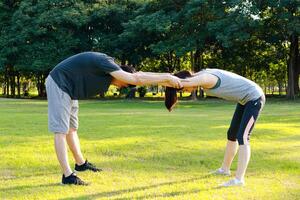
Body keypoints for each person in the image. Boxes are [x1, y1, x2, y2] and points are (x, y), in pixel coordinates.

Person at [45, 51, 182, 185]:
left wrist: (166, 79)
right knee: (61, 131)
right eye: (125, 84)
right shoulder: (107, 63)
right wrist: (167, 77)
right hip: (60, 83)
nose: (122, 86)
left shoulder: (109, 69)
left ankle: (80, 164)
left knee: (71, 128)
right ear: (122, 75)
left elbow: (139, 76)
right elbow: (137, 78)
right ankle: (67, 176)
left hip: (70, 89)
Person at [165, 68, 265, 187]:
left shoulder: (205, 78)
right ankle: (225, 169)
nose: (188, 90)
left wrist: (147, 78)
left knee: (243, 137)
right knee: (232, 134)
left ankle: (239, 180)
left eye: (186, 89)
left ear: (188, 80)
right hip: (244, 100)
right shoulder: (201, 76)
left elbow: (183, 82)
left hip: (254, 98)